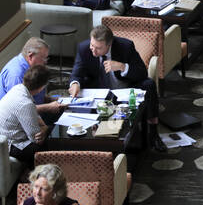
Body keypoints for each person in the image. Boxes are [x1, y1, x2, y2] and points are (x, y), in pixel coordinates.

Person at [69, 24, 166, 152]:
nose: (93, 50)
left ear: (109, 45)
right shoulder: (84, 48)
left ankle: (153, 134)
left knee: (149, 84)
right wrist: (74, 83)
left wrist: (122, 67)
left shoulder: (125, 46)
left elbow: (142, 72)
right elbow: (77, 73)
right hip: (99, 90)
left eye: (98, 48)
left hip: (125, 88)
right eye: (92, 45)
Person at [0, 64, 66, 166]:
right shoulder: (25, 103)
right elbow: (36, 139)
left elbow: (33, 113)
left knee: (47, 128)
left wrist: (44, 127)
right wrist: (45, 128)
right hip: (6, 145)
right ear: (42, 87)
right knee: (44, 145)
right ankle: (42, 173)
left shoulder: (18, 88)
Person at [0, 37, 62, 118]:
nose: (45, 62)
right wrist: (48, 107)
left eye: (47, 58)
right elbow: (19, 109)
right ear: (30, 56)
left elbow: (35, 96)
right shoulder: (16, 75)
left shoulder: (32, 68)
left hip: (33, 110)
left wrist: (53, 100)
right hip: (14, 120)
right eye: (43, 58)